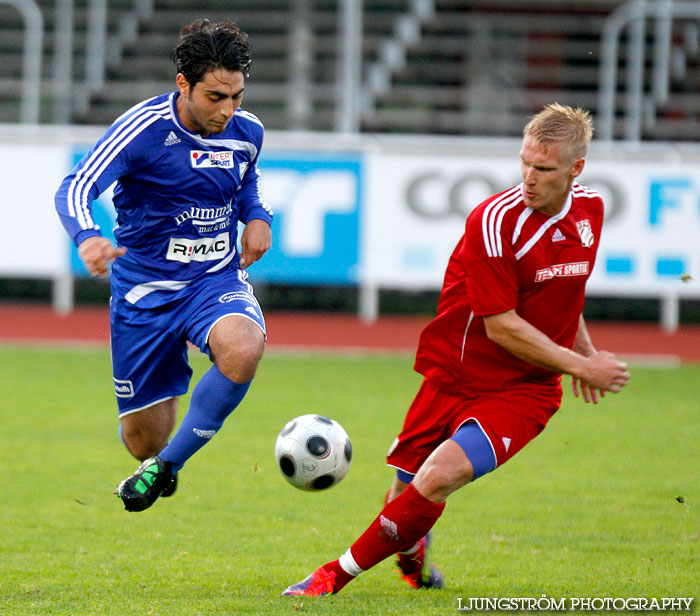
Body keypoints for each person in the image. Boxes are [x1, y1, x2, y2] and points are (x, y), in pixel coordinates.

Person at [283, 103, 631, 596]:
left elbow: (564, 295)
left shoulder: (590, 211)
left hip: (523, 389)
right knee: (406, 491)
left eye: (544, 168)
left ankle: (330, 577)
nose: (529, 178)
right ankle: (413, 557)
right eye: (525, 163)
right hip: (453, 373)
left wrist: (582, 356)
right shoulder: (495, 221)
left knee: (438, 477)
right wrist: (583, 363)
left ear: (576, 169)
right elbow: (502, 327)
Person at [55, 19, 273, 513]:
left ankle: (167, 467)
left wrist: (257, 217)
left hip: (212, 280)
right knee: (142, 440)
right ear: (184, 84)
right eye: (216, 96)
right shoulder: (143, 129)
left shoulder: (247, 131)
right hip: (143, 292)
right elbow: (75, 187)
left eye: (237, 96)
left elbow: (247, 180)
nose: (228, 109)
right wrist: (87, 237)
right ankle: (158, 454)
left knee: (244, 347)